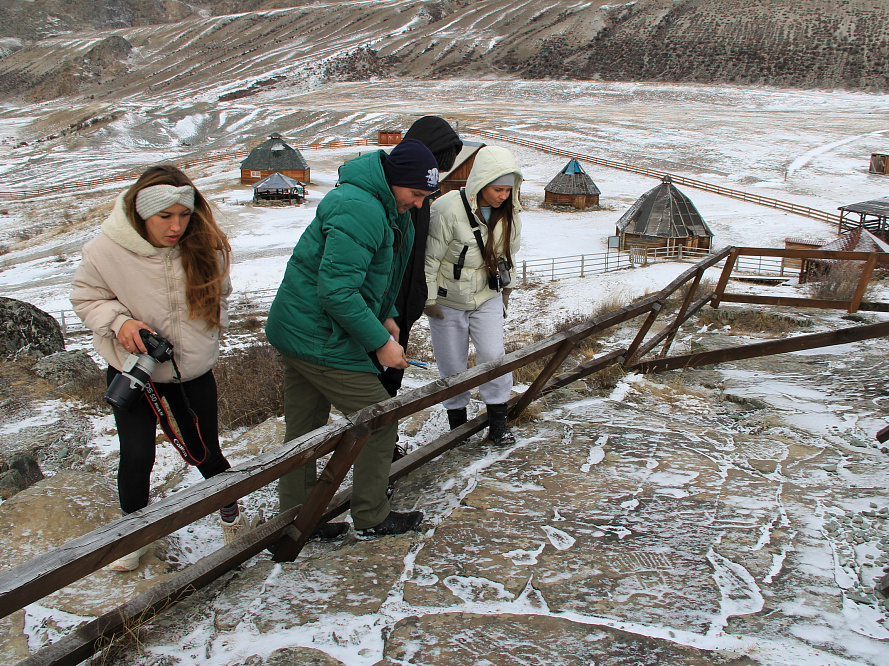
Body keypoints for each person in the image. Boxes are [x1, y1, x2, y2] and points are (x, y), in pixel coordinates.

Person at [71, 165, 249, 572]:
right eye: (164, 216)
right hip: (134, 372)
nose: (176, 227)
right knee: (137, 456)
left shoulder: (206, 244)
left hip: (192, 374)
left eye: (184, 215)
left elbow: (221, 293)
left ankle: (232, 519)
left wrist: (209, 331)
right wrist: (120, 323)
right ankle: (133, 536)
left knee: (207, 452)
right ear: (141, 213)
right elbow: (86, 298)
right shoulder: (105, 250)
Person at [265, 138, 440, 540]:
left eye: (425, 196)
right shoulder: (361, 208)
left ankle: (297, 520)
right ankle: (371, 516)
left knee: (304, 432)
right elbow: (337, 291)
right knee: (379, 420)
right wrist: (380, 342)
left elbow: (376, 274)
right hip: (318, 335)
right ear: (395, 179)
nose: (419, 204)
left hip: (300, 328)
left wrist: (388, 315)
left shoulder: (385, 205)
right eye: (416, 194)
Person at [424, 146, 523, 445]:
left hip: (487, 295)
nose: (503, 196)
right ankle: (458, 427)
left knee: (494, 357)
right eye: (498, 189)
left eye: (508, 189)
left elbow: (509, 255)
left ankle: (498, 423)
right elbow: (430, 259)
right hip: (448, 302)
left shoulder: (510, 213)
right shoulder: (446, 209)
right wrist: (428, 300)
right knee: (452, 365)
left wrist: (506, 291)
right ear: (481, 182)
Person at [375, 117, 462, 397]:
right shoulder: (394, 196)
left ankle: (386, 422)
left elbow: (419, 251)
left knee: (391, 378)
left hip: (404, 304)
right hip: (384, 304)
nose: (435, 179)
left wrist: (419, 295)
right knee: (375, 378)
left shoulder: (419, 200)